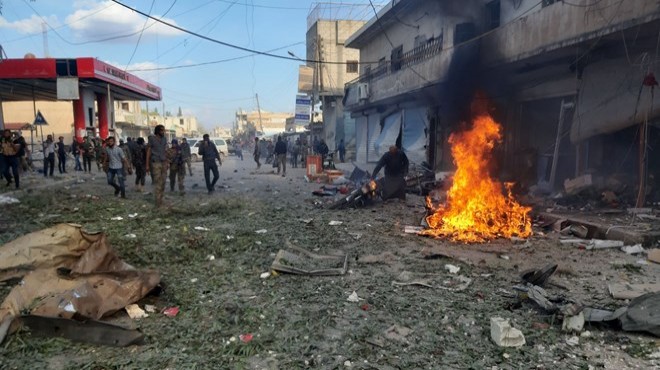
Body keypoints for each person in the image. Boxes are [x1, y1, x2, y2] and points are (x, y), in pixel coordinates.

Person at [146, 125, 169, 207]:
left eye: (164, 130)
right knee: (158, 183)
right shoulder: (152, 139)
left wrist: (167, 162)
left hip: (163, 163)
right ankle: (158, 203)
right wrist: (147, 165)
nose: (163, 132)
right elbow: (148, 151)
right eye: (162, 130)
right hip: (155, 163)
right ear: (158, 131)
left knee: (163, 182)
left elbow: (165, 151)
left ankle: (161, 199)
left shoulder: (164, 139)